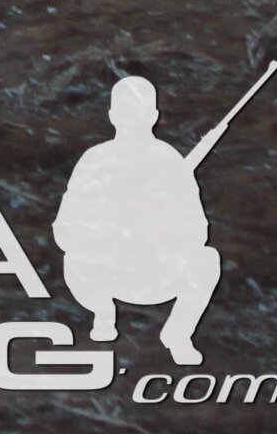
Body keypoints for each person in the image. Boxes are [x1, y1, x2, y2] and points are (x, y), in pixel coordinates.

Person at [57, 76, 228, 365]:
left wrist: (160, 224)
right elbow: (66, 227)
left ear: (154, 116)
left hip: (156, 272)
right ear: (112, 116)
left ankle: (178, 333)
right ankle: (102, 312)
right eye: (125, 112)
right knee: (74, 259)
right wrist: (110, 231)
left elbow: (198, 231)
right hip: (105, 271)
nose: (132, 119)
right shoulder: (95, 160)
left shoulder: (170, 162)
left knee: (207, 260)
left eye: (138, 112)